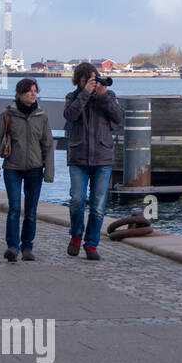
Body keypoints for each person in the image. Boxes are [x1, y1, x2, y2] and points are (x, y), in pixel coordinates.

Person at [0, 78, 55, 262]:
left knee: (31, 212)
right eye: (29, 91)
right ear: (19, 93)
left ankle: (27, 247)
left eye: (35, 91)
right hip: (12, 168)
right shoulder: (7, 115)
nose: (33, 94)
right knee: (15, 208)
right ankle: (12, 247)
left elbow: (48, 145)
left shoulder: (42, 116)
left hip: (35, 169)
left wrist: (49, 171)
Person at [63, 63, 124, 260]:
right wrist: (85, 94)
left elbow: (118, 118)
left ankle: (91, 244)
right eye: (87, 80)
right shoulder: (72, 97)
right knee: (77, 200)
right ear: (79, 81)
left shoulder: (108, 96)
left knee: (98, 206)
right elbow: (70, 115)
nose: (92, 83)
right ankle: (76, 235)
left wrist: (103, 95)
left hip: (102, 156)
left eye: (94, 78)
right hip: (78, 157)